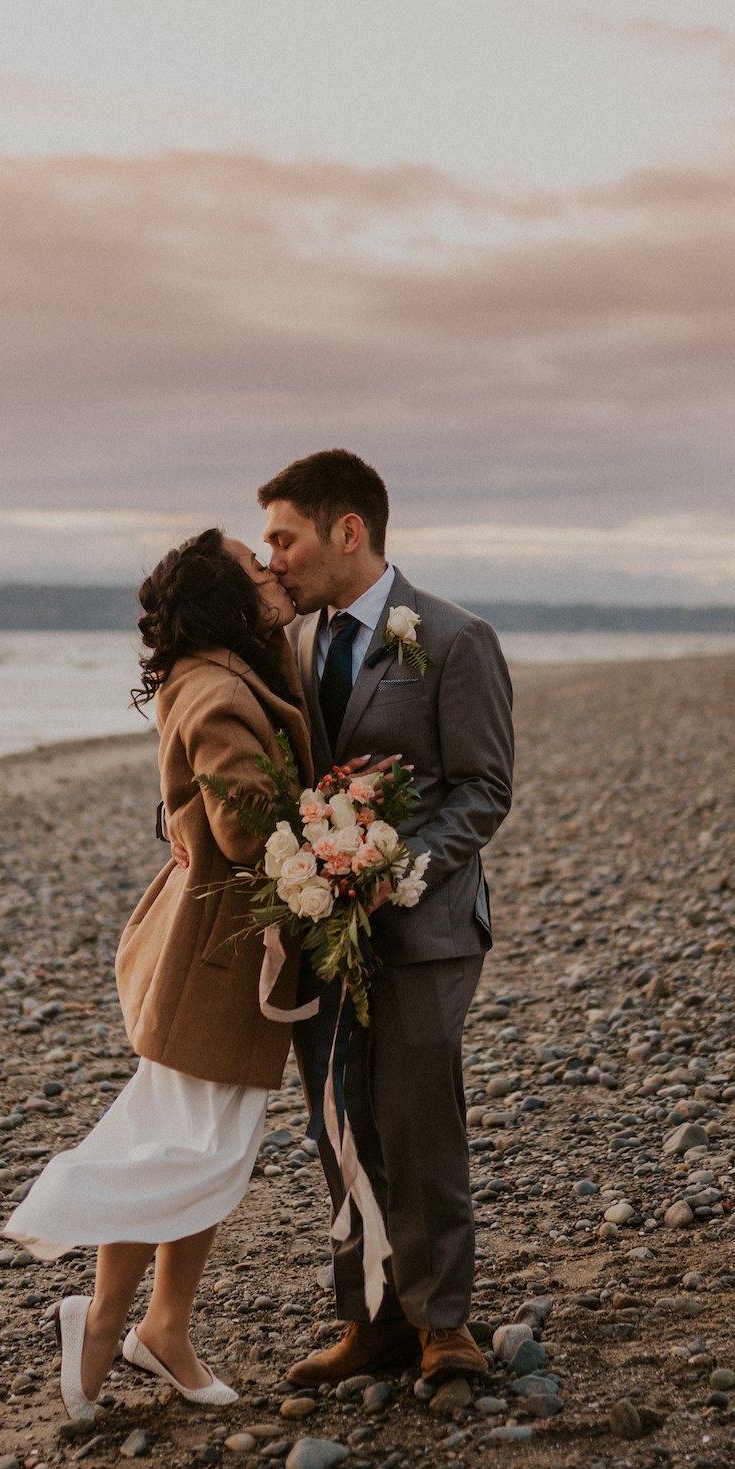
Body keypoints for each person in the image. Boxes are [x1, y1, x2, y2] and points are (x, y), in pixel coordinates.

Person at [2, 528, 314, 1423]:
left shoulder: (230, 666)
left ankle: (164, 1327)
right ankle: (100, 1319)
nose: (271, 568)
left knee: (205, 1149)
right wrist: (345, 827)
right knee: (180, 1148)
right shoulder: (216, 687)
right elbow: (248, 827)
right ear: (228, 597)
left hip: (218, 949)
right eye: (256, 567)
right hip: (213, 959)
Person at [257, 449, 516, 1390]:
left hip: (425, 925)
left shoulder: (451, 638)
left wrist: (394, 869)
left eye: (284, 537)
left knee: (417, 1119)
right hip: (319, 921)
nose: (272, 557)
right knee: (340, 1120)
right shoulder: (287, 648)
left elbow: (485, 789)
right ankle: (368, 1319)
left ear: (348, 531)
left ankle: (443, 1324)